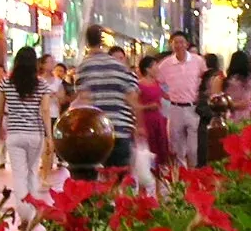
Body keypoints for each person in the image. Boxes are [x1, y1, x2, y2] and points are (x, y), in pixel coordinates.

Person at [1, 45, 53, 227]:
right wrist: (49, 136)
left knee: (19, 175)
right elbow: (45, 111)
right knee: (32, 172)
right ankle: (31, 210)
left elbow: (0, 109)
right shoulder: (41, 85)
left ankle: (24, 214)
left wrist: (1, 128)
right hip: (35, 134)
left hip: (14, 134)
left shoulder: (6, 83)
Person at [76, 25, 140, 168]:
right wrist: (139, 126)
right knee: (121, 176)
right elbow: (132, 99)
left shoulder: (84, 66)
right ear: (102, 41)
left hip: (97, 133)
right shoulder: (119, 66)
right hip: (120, 130)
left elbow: (85, 100)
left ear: (87, 42)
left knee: (100, 177)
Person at [154, 32, 206, 167]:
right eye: (175, 42)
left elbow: (205, 79)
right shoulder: (166, 64)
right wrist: (165, 95)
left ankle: (194, 174)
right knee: (177, 148)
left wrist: (201, 94)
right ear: (171, 45)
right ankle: (181, 175)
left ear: (187, 44)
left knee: (193, 149)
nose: (178, 45)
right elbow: (156, 81)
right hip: (175, 108)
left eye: (181, 42)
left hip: (193, 108)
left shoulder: (198, 61)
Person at [137, 54, 173, 166]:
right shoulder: (139, 85)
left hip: (158, 119)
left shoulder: (157, 83)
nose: (157, 68)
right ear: (147, 69)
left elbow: (166, 96)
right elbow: (134, 106)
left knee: (161, 146)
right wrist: (148, 107)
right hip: (146, 120)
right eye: (155, 66)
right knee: (151, 146)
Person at [197, 53, 225, 166]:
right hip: (216, 109)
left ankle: (203, 162)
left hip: (204, 110)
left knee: (204, 138)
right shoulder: (220, 75)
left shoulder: (203, 76)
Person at [225, 51, 251, 121]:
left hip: (230, 113)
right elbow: (247, 101)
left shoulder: (229, 80)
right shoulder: (249, 79)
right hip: (245, 113)